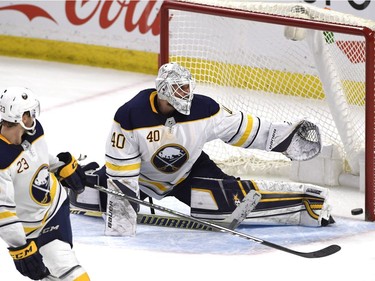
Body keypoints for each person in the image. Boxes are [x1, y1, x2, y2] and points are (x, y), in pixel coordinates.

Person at [71, 62, 334, 236]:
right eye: (179, 88)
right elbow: (122, 173)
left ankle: (305, 208)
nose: (187, 93)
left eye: (188, 87)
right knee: (90, 194)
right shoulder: (130, 116)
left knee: (231, 200)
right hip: (140, 177)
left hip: (189, 172)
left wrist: (285, 139)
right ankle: (84, 173)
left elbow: (244, 129)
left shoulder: (205, 109)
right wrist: (122, 230)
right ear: (163, 90)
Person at [0, 87, 93, 280]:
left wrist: (59, 167)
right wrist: (20, 247)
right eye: (30, 113)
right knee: (59, 272)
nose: (34, 116)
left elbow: (38, 157)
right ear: (22, 117)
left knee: (62, 266)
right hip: (29, 228)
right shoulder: (1, 159)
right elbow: (3, 212)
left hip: (56, 207)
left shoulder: (34, 130)